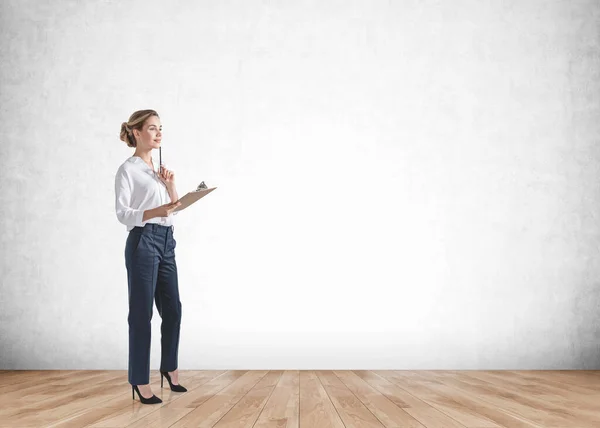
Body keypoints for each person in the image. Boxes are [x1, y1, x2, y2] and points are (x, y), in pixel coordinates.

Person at [115, 109, 188, 405]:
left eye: (161, 129)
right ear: (136, 132)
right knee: (142, 315)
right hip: (143, 242)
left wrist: (170, 185)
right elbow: (123, 214)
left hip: (166, 241)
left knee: (173, 309)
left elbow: (175, 208)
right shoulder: (128, 170)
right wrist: (156, 212)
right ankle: (140, 381)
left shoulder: (157, 170)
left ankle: (169, 367)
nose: (159, 134)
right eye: (152, 128)